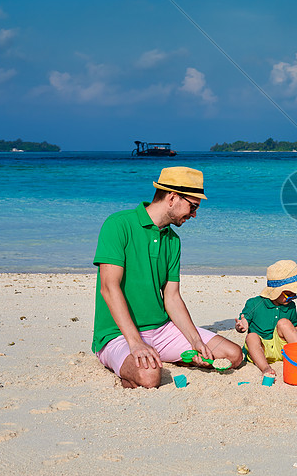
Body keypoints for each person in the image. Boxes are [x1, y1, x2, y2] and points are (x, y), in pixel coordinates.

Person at [92, 166, 243, 388]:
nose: (194, 215)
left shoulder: (173, 240)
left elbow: (171, 297)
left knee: (233, 355)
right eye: (192, 207)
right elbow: (109, 287)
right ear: (172, 198)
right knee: (149, 377)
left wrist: (195, 341)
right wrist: (135, 343)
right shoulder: (118, 224)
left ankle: (165, 355)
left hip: (162, 330)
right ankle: (135, 361)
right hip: (118, 333)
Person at [235, 260, 297, 377]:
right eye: (289, 295)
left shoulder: (290, 305)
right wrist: (241, 325)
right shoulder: (254, 303)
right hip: (261, 349)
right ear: (275, 291)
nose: (292, 298)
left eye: (295, 295)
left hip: (282, 349)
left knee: (285, 323)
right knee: (251, 336)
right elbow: (244, 320)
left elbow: (294, 328)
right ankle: (265, 368)